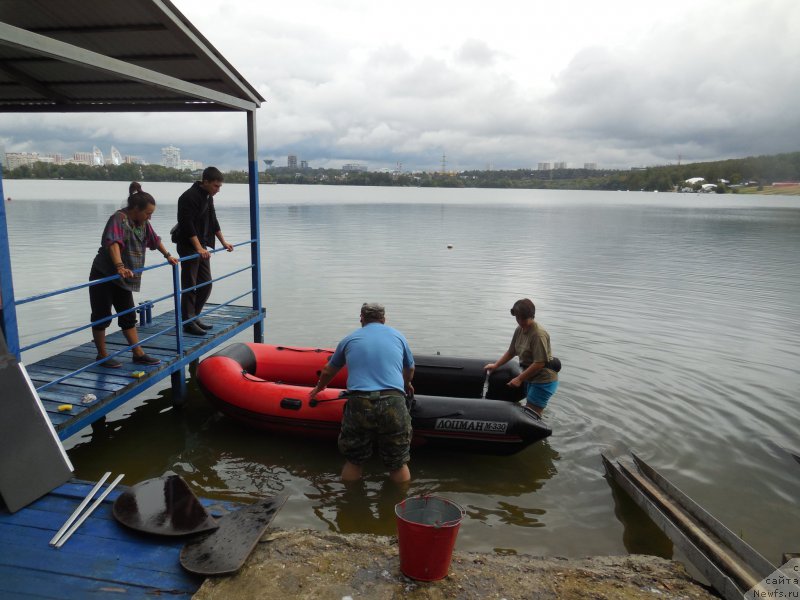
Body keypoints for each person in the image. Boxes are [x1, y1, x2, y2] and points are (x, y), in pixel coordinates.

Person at [309, 303, 415, 483]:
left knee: (354, 460)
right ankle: (399, 504)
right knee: (398, 462)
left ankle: (351, 504)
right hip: (393, 400)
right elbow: (410, 368)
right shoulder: (398, 337)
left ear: (361, 319)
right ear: (384, 319)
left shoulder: (350, 339)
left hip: (360, 402)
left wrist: (319, 388)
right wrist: (407, 384)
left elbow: (328, 371)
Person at [89, 182, 179, 368]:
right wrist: (120, 266)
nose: (150, 217)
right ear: (136, 209)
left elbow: (154, 240)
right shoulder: (118, 219)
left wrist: (168, 255)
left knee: (128, 315)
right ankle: (102, 355)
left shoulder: (143, 223)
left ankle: (138, 353)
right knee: (102, 315)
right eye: (147, 213)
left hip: (124, 277)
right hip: (104, 274)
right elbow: (113, 243)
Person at [174, 166, 233, 336]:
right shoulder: (188, 197)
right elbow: (187, 224)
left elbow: (213, 220)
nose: (218, 190)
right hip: (188, 246)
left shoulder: (208, 197)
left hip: (202, 247)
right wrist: (198, 247)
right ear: (205, 181)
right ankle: (187, 322)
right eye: (216, 186)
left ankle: (195, 316)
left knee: (205, 284)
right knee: (190, 285)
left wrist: (223, 242)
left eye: (220, 186)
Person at [484, 298, 558, 416]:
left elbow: (539, 363)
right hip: (530, 377)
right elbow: (511, 351)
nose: (520, 321)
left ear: (532, 316)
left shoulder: (538, 334)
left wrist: (519, 379)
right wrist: (496, 365)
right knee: (526, 411)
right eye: (518, 318)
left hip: (543, 379)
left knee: (532, 416)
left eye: (524, 318)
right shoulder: (519, 329)